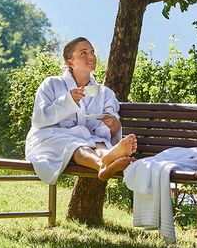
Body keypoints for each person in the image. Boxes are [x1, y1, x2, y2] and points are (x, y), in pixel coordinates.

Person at [25, 37, 137, 184]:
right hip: (50, 138)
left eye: (92, 51)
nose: (91, 56)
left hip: (85, 139)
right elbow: (39, 120)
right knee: (75, 144)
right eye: (83, 53)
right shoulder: (51, 84)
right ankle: (102, 165)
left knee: (99, 143)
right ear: (70, 61)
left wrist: (113, 125)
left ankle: (108, 157)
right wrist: (67, 101)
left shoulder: (105, 93)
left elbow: (104, 130)